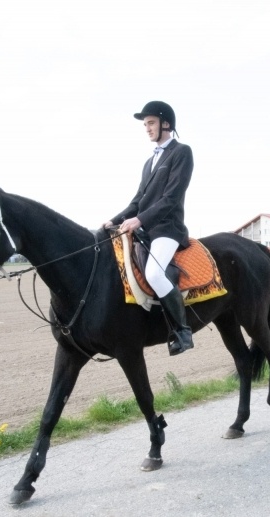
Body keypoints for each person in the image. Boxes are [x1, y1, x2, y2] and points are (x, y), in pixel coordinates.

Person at [103, 101, 195, 355]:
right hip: (147, 230)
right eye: (145, 125)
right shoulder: (149, 162)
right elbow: (137, 202)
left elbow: (171, 197)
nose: (147, 128)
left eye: (151, 123)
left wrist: (140, 220)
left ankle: (182, 331)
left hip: (168, 228)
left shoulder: (182, 152)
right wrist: (113, 220)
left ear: (166, 123)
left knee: (154, 273)